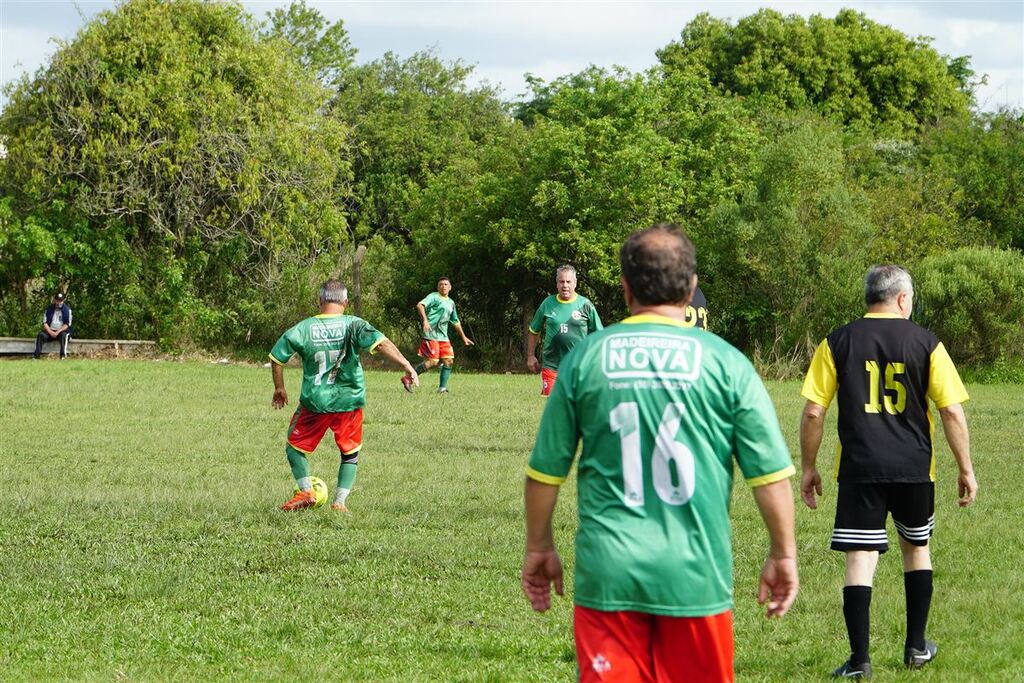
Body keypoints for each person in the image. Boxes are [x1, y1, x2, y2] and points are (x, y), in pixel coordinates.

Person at [522, 224, 798, 683]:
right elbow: (769, 477)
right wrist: (783, 554)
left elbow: (545, 475)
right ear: (691, 289)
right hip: (696, 577)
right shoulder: (727, 363)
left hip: (609, 576)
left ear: (625, 287)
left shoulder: (586, 359)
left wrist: (539, 546)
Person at [799, 264, 978, 679]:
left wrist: (808, 467)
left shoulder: (837, 342)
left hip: (861, 468)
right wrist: (966, 468)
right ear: (902, 299)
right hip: (915, 467)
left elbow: (813, 411)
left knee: (860, 559)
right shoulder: (927, 343)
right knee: (916, 550)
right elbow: (950, 410)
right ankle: (916, 646)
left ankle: (860, 660)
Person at [270, 279, 418, 512]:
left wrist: (280, 387)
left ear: (319, 301)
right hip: (349, 401)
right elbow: (381, 344)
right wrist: (406, 364)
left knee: (295, 448)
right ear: (345, 302)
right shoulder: (354, 324)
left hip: (315, 402)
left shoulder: (303, 328)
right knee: (350, 452)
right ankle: (339, 503)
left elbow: (277, 357)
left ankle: (306, 490)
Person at [527, 265, 603, 396]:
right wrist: (530, 356)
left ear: (575, 283)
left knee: (577, 407)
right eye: (561, 281)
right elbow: (534, 330)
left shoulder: (585, 305)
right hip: (552, 366)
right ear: (556, 284)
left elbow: (599, 335)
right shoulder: (548, 303)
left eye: (568, 282)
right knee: (551, 405)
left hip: (579, 367)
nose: (565, 285)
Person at [408, 276, 474, 394]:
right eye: (441, 284)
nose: (443, 286)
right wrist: (425, 321)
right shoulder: (434, 296)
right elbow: (420, 305)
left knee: (448, 361)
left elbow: (455, 321)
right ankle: (409, 377)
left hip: (443, 337)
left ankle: (442, 388)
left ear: (450, 287)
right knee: (433, 362)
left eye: (445, 284)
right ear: (438, 287)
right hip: (430, 334)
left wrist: (463, 337)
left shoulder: (451, 303)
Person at [33, 292, 73, 359]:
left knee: (64, 335)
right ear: (55, 300)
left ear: (63, 301)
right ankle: (36, 356)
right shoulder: (49, 309)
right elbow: (45, 323)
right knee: (40, 335)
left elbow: (67, 324)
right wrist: (50, 332)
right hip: (50, 331)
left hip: (61, 332)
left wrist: (57, 332)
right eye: (57, 300)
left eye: (60, 301)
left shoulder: (67, 310)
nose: (58, 302)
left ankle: (62, 356)